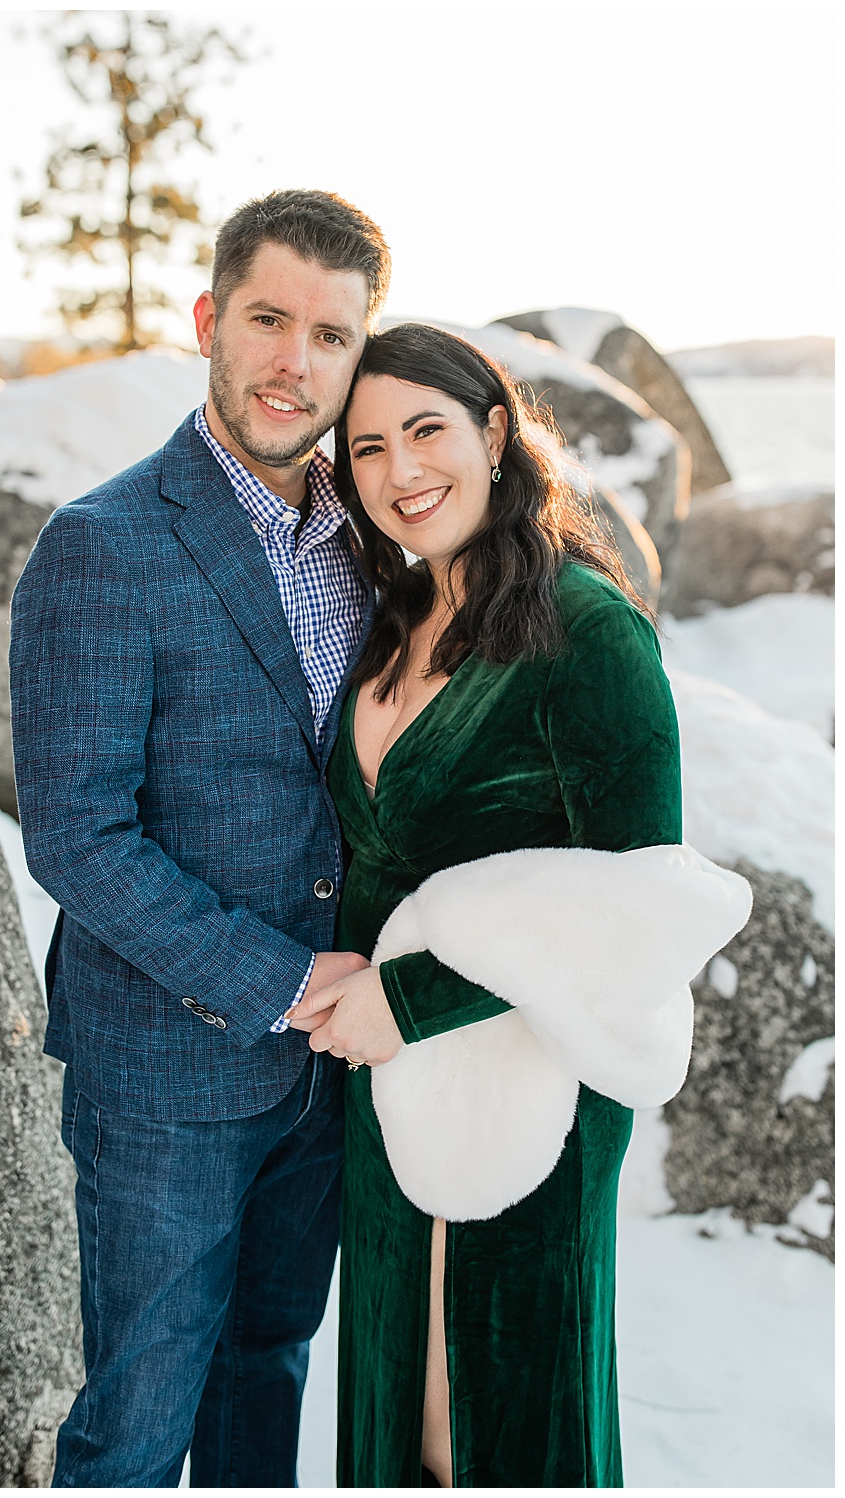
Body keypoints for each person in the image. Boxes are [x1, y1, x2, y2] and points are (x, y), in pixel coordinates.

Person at [286, 322, 718, 1487]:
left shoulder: (589, 633)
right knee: (391, 1416)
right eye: (365, 446)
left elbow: (644, 907)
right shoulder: (388, 620)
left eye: (424, 429)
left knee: (488, 1420)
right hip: (380, 1076)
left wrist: (411, 1001)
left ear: (491, 431)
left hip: (527, 1083)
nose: (397, 470)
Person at [8, 189, 390, 1486]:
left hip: (329, 1072)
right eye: (270, 319)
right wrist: (277, 979)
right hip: (167, 1074)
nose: (297, 361)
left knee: (268, 1367)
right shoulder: (102, 545)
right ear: (208, 321)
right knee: (138, 1415)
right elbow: (76, 836)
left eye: (331, 335)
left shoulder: (371, 539)